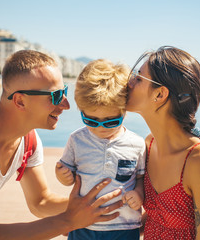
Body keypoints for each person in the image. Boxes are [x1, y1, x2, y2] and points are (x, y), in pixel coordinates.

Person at [0, 50, 123, 240]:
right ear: (20, 101)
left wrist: (104, 204)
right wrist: (69, 221)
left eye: (64, 92)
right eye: (55, 96)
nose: (65, 105)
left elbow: (41, 202)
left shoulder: (28, 139)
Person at [126, 46, 200, 239]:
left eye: (139, 78)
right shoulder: (150, 144)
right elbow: (158, 218)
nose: (129, 82)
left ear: (159, 94)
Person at [55, 59, 146, 240]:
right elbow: (67, 174)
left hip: (124, 226)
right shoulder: (77, 140)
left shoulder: (137, 144)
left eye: (111, 121)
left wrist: (138, 193)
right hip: (82, 224)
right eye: (91, 121)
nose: (100, 127)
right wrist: (62, 176)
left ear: (124, 111)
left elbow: (140, 178)